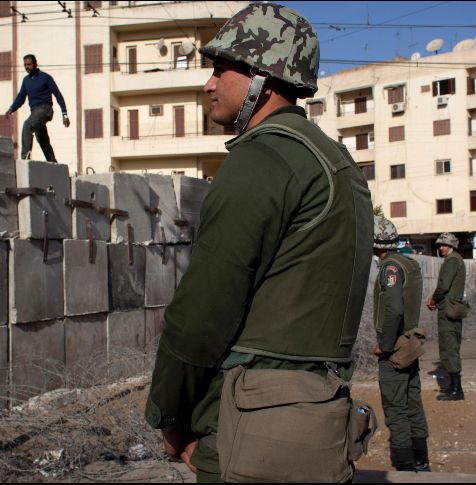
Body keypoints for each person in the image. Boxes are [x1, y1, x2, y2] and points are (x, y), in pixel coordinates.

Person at [144, 4, 373, 482]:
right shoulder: (334, 162)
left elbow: (201, 312)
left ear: (261, 78)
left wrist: (169, 417)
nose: (208, 84)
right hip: (319, 424)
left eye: (220, 70)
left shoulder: (264, 158)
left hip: (254, 434)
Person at [372, 216, 430, 472]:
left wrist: (384, 345)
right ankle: (421, 459)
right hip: (411, 344)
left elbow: (393, 309)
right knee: (413, 403)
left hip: (395, 348)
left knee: (396, 408)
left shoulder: (390, 268)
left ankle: (406, 466)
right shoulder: (409, 263)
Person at [6, 54, 70, 162]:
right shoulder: (26, 80)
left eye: (29, 64)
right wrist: (11, 109)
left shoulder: (45, 78)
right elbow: (21, 97)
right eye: (25, 65)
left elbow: (58, 96)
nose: (27, 67)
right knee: (42, 139)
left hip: (45, 109)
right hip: (35, 111)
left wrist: (65, 115)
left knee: (27, 126)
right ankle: (53, 162)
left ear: (35, 64)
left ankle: (25, 157)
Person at [427, 232, 467, 401]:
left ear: (452, 246)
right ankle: (453, 387)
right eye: (440, 245)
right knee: (452, 346)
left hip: (448, 309)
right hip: (454, 308)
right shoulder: (457, 259)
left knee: (449, 347)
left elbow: (443, 285)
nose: (441, 248)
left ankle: (456, 391)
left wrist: (433, 299)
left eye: (444, 245)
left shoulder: (452, 261)